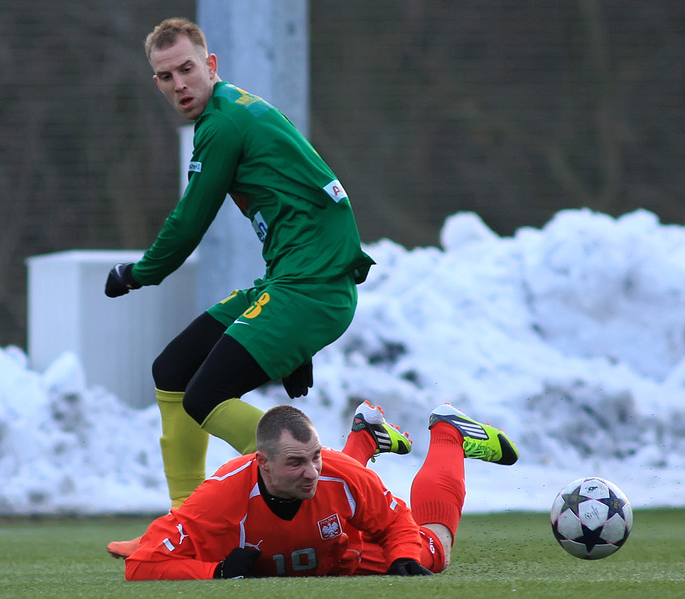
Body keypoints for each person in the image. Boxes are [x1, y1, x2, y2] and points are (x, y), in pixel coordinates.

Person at [103, 15, 376, 554]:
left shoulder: (222, 126)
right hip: (298, 280)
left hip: (311, 286)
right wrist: (294, 341)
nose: (179, 84)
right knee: (174, 372)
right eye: (165, 76)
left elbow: (189, 221)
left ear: (210, 66)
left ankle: (334, 481)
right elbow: (311, 204)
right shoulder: (237, 109)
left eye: (186, 69)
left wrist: (138, 273)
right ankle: (184, 529)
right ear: (155, 82)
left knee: (206, 395)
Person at [118, 401, 519, 579]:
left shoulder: (334, 472)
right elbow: (141, 565)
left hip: (347, 552)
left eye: (314, 456)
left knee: (435, 552)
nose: (311, 471)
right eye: (295, 462)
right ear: (262, 462)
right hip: (325, 549)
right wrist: (215, 573)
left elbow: (396, 520)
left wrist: (402, 556)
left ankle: (448, 431)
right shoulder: (219, 498)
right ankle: (367, 436)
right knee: (338, 484)